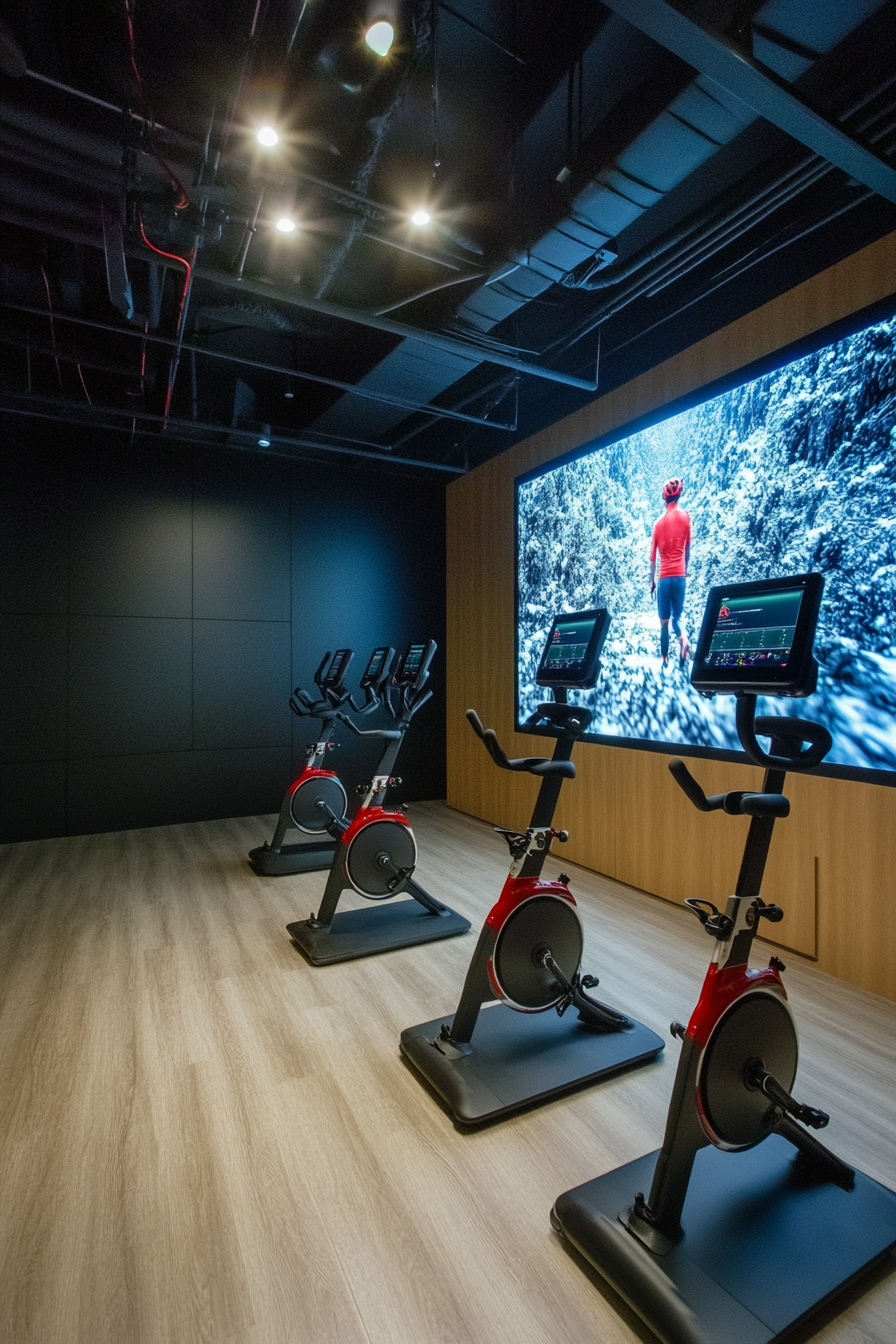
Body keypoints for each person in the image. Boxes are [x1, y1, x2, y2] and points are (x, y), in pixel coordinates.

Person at [649, 477, 691, 669]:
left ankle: (665, 659)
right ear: (679, 494)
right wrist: (684, 570)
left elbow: (653, 558)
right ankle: (683, 639)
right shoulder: (685, 516)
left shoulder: (658, 524)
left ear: (664, 498)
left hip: (664, 579)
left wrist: (653, 582)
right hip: (680, 577)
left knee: (664, 623)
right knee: (677, 619)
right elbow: (687, 549)